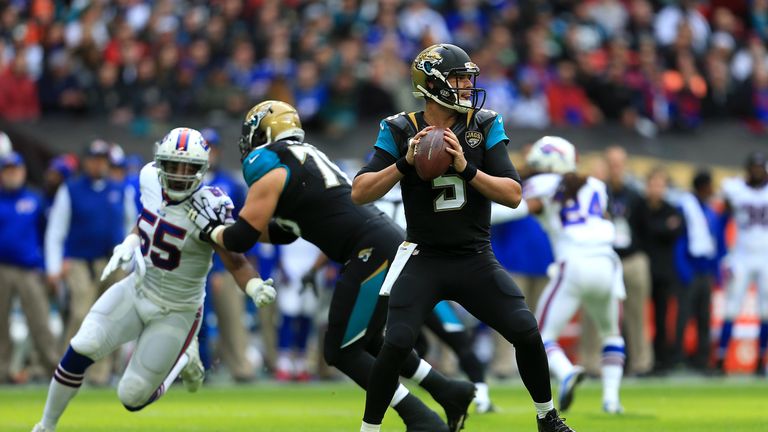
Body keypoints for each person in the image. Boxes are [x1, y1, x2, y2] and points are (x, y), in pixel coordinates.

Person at [187, 100, 471, 432]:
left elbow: (239, 240)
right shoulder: (304, 157)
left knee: (341, 352)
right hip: (386, 242)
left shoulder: (267, 160)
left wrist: (210, 229)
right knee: (368, 341)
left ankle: (420, 419)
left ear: (264, 131)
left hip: (369, 249)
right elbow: (282, 232)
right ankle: (448, 390)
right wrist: (230, 228)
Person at [350, 43, 574, 432]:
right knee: (397, 342)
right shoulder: (400, 128)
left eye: (467, 79)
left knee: (524, 328)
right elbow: (360, 191)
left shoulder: (484, 124)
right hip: (422, 255)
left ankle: (547, 419)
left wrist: (465, 168)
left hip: (474, 255)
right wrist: (404, 163)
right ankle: (369, 430)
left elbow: (512, 192)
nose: (467, 87)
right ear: (431, 84)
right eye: (457, 79)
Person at [31, 127, 276, 432]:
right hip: (138, 288)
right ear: (160, 162)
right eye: (173, 164)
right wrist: (131, 242)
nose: (179, 173)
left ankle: (184, 358)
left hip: (178, 310)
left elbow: (234, 259)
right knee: (82, 345)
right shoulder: (148, 178)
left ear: (202, 169)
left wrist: (253, 286)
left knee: (130, 396)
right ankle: (45, 426)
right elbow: (149, 219)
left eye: (188, 167)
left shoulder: (211, 204)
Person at [523, 136, 626, 414]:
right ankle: (611, 400)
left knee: (540, 337)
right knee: (612, 334)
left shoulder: (542, 184)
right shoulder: (595, 184)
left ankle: (566, 372)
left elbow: (516, 208)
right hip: (607, 262)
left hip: (574, 263)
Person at [374, 184, 495, 413]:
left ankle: (403, 396)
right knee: (454, 339)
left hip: (396, 282)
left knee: (400, 345)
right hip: (419, 278)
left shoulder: (376, 201)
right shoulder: (421, 192)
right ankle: (480, 395)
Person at [44, 139, 138, 385]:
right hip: (79, 261)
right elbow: (56, 230)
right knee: (80, 314)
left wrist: (130, 261)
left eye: (102, 160)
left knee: (112, 317)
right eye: (94, 159)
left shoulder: (120, 190)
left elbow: (134, 227)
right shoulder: (71, 190)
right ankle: (67, 370)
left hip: (112, 261)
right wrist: (54, 265)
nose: (98, 164)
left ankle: (101, 373)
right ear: (86, 161)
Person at [199, 127, 255, 382]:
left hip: (227, 261)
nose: (210, 153)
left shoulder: (231, 183)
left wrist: (234, 263)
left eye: (214, 147)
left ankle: (240, 367)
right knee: (192, 320)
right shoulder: (190, 182)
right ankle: (195, 369)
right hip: (196, 261)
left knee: (232, 317)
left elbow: (244, 224)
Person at [0, 152, 59, 384]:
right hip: (2, 268)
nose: (12, 174)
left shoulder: (34, 200)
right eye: (7, 170)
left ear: (23, 172)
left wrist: (46, 265)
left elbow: (47, 234)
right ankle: (3, 370)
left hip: (29, 268)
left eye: (15, 169)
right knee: (0, 322)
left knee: (40, 320)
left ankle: (52, 368)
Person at [716, 152, 768, 376]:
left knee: (766, 311)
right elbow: (722, 219)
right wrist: (723, 252)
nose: (757, 171)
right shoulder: (734, 189)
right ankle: (720, 357)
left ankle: (761, 360)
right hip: (742, 256)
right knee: (731, 308)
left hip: (766, 255)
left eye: (760, 167)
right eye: (754, 167)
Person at [635, 167, 684, 374]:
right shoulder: (639, 207)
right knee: (637, 316)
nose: (656, 189)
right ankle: (638, 359)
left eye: (660, 185)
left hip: (663, 271)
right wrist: (663, 227)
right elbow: (644, 230)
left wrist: (658, 228)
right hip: (643, 268)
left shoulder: (671, 208)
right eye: (653, 184)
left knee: (662, 318)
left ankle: (662, 361)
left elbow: (677, 230)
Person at [674, 169, 723, 372]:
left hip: (705, 270)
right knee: (683, 317)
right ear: (703, 186)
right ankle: (677, 358)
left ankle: (702, 359)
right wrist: (683, 269)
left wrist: (716, 271)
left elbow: (716, 241)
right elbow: (680, 241)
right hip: (691, 268)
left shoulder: (709, 210)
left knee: (704, 318)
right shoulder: (685, 207)